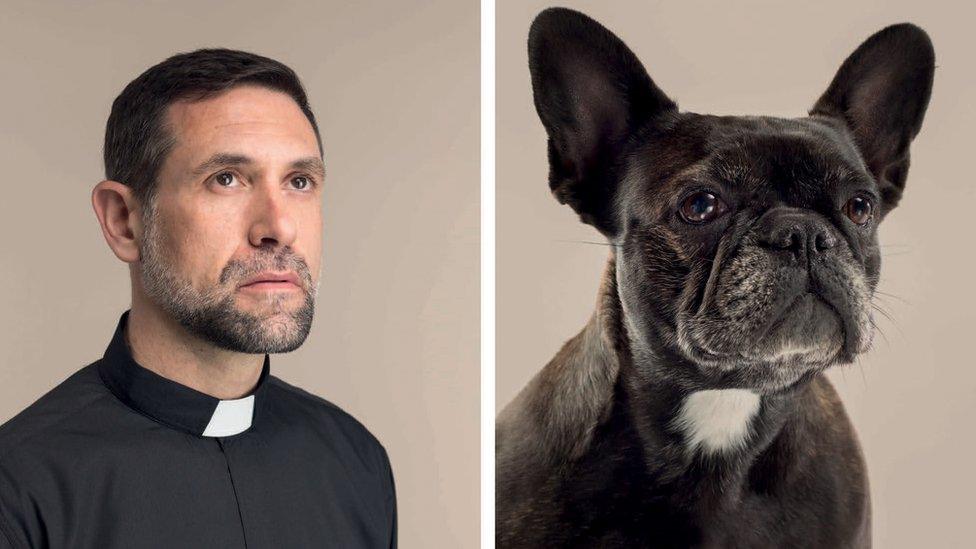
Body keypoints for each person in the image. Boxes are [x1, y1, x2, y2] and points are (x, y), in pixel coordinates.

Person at [0, 49, 396, 548]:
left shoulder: (356, 461)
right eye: (225, 179)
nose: (278, 228)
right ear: (124, 220)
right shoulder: (19, 491)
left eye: (299, 182)